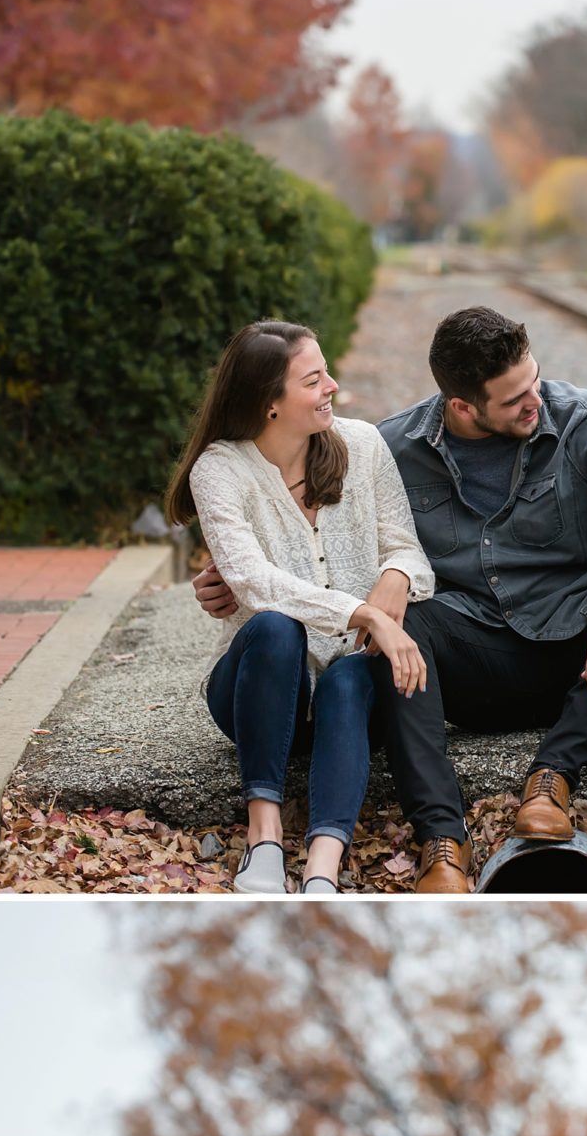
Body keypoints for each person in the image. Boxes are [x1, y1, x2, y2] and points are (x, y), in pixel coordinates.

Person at [201, 307, 587, 892]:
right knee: (408, 625)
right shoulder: (393, 446)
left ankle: (552, 780)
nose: (534, 401)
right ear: (462, 406)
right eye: (513, 400)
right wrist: (235, 575)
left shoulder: (582, 419)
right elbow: (329, 528)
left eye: (533, 382)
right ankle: (442, 838)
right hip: (474, 662)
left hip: (586, 657)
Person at [170, 320, 433, 895]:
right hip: (257, 688)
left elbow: (408, 550)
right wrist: (363, 614)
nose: (332, 386)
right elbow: (251, 580)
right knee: (274, 626)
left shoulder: (361, 447)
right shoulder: (220, 470)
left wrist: (394, 578)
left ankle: (322, 869)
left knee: (347, 675)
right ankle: (263, 841)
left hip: (350, 687)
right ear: (269, 404)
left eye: (326, 373)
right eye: (314, 380)